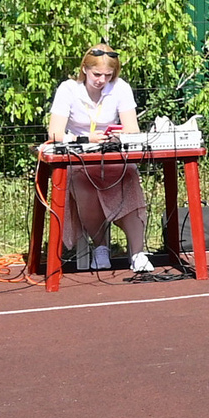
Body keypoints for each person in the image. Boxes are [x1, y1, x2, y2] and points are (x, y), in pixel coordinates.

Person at [45, 45, 153, 273]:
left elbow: (132, 128)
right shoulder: (68, 89)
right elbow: (54, 133)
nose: (102, 80)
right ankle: (101, 247)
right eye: (97, 74)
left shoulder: (121, 88)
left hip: (112, 154)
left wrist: (116, 135)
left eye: (108, 75)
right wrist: (85, 138)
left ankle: (137, 252)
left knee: (130, 175)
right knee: (82, 182)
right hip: (80, 157)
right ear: (84, 69)